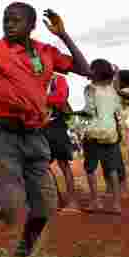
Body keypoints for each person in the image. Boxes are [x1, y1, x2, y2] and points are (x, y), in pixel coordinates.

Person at [0, 0, 89, 257]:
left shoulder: (45, 51)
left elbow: (84, 69)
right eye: (6, 20)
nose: (9, 24)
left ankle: (22, 254)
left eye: (16, 20)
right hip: (5, 137)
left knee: (46, 207)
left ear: (32, 25)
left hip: (36, 138)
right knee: (11, 206)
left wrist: (63, 35)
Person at [77, 59, 125, 215]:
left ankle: (95, 201)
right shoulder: (113, 91)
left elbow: (89, 110)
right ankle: (117, 204)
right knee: (112, 169)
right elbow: (117, 110)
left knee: (90, 169)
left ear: (93, 72)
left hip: (94, 133)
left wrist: (79, 114)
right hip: (111, 133)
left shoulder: (90, 89)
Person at [43, 73, 79, 212]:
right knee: (43, 166)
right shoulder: (33, 77)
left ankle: (72, 201)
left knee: (64, 165)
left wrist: (39, 98)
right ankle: (56, 200)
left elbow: (60, 98)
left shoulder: (58, 79)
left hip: (57, 127)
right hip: (40, 128)